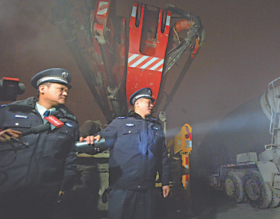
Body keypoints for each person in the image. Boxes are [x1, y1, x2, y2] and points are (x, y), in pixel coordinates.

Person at [0, 68, 79, 219]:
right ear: (42, 88)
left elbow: (69, 158)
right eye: (61, 89)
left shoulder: (69, 122)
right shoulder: (8, 112)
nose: (65, 93)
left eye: (67, 90)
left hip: (44, 196)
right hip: (7, 189)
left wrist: (64, 187)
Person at [81, 87, 170, 219]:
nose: (152, 105)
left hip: (147, 190)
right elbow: (101, 138)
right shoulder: (120, 123)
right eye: (148, 102)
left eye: (152, 103)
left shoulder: (156, 127)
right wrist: (92, 139)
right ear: (137, 103)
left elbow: (162, 156)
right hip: (122, 189)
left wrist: (165, 182)